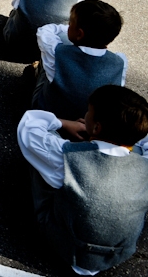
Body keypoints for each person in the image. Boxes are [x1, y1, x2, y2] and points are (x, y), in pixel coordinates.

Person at [17, 85, 148, 275]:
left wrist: (64, 123)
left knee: (47, 155)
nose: (85, 114)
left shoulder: (67, 156)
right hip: (116, 254)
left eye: (88, 112)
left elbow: (29, 125)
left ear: (96, 127)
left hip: (66, 246)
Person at [32, 0, 126, 120]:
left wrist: (65, 28)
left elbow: (45, 31)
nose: (68, 25)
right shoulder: (120, 63)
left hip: (48, 114)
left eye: (70, 23)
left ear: (80, 34)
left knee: (49, 57)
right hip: (88, 123)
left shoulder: (58, 52)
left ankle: (35, 73)